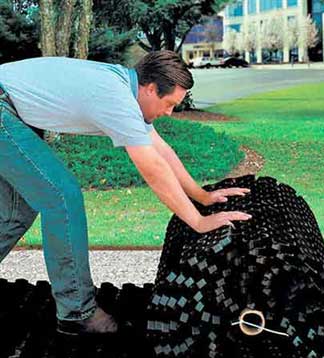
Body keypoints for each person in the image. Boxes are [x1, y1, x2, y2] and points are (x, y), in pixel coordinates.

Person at [0, 50, 252, 336]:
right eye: (169, 104)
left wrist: (203, 197)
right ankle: (76, 312)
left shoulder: (124, 90)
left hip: (11, 110)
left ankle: (75, 308)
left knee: (17, 210)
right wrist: (198, 221)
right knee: (61, 196)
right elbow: (152, 167)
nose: (169, 113)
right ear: (151, 88)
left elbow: (161, 150)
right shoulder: (116, 97)